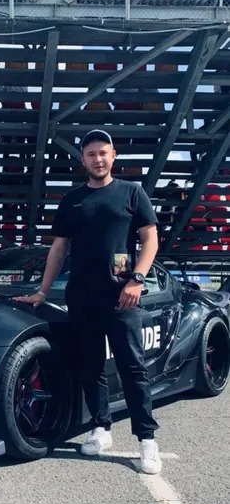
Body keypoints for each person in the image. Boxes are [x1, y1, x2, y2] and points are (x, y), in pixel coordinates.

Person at [14, 129, 162, 475]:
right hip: (81, 296)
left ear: (113, 156)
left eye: (103, 152)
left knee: (132, 367)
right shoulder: (72, 200)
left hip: (121, 296)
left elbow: (150, 239)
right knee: (91, 367)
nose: (98, 159)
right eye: (91, 154)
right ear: (83, 159)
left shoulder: (132, 192)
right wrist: (42, 291)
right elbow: (58, 249)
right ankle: (101, 428)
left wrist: (137, 279)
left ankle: (147, 439)